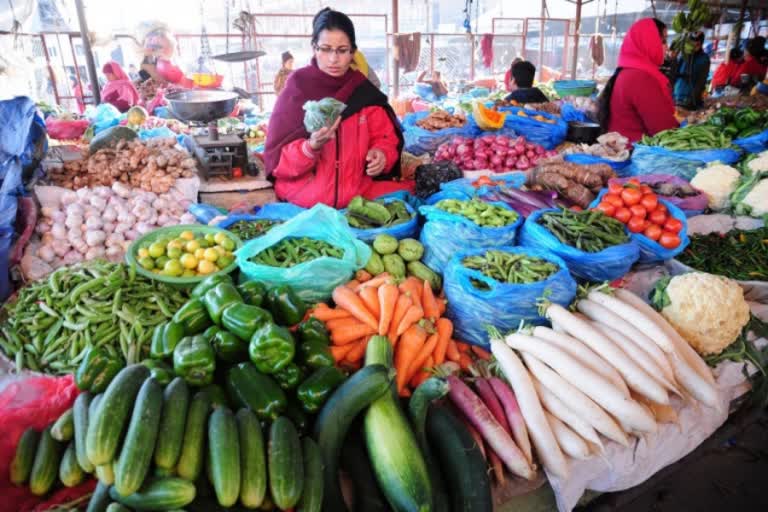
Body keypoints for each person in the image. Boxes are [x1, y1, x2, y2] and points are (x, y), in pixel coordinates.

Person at [264, 8, 411, 209]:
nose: (334, 59)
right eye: (325, 49)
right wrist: (310, 147)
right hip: (302, 203)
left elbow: (386, 138)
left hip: (357, 201)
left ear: (352, 52)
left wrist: (382, 155)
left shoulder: (362, 91)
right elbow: (278, 163)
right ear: (315, 48)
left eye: (342, 50)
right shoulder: (297, 87)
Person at [597, 18, 678, 143]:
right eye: (663, 41)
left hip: (626, 149)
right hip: (636, 155)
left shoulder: (628, 72)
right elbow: (664, 131)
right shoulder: (640, 78)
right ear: (648, 41)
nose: (667, 47)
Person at [673, 32, 711, 109]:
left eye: (698, 42)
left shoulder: (704, 59)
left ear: (701, 43)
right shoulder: (683, 56)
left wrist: (694, 100)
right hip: (677, 96)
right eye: (692, 41)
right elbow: (675, 73)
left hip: (691, 99)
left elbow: (700, 81)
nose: (695, 44)